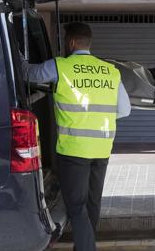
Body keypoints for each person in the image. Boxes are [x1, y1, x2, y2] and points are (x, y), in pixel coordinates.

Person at [26, 22, 131, 251]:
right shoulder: (110, 70)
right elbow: (125, 110)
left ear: (71, 42)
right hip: (102, 149)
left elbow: (29, 74)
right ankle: (85, 246)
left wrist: (16, 55)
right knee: (92, 205)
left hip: (73, 150)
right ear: (88, 42)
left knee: (76, 207)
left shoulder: (61, 66)